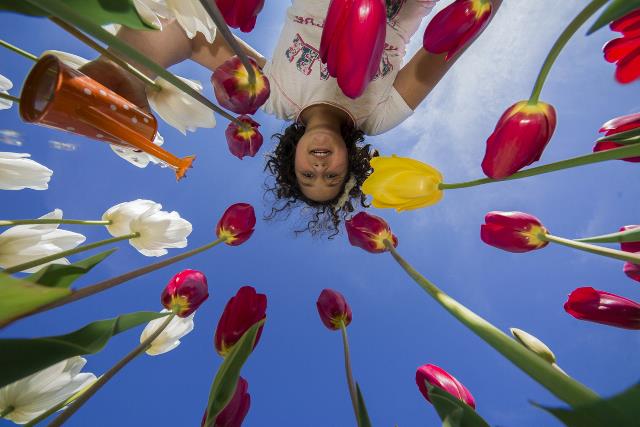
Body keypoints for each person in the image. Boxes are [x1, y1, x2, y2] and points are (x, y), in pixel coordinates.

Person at [82, 0, 498, 236]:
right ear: (350, 163)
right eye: (331, 177)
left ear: (291, 158)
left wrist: (128, 78)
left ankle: (112, 76)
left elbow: (193, 37)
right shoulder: (379, 115)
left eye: (307, 175)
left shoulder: (272, 96)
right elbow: (444, 50)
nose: (319, 168)